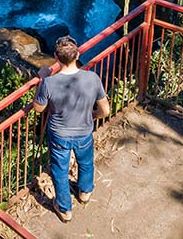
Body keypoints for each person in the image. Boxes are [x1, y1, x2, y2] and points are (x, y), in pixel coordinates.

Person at [31, 35, 110, 223]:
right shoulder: (92, 78)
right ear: (78, 54)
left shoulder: (49, 83)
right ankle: (85, 193)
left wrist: (42, 79)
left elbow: (38, 108)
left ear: (56, 58)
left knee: (60, 170)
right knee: (86, 162)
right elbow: (105, 110)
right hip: (84, 131)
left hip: (59, 135)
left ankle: (65, 209)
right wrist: (91, 116)